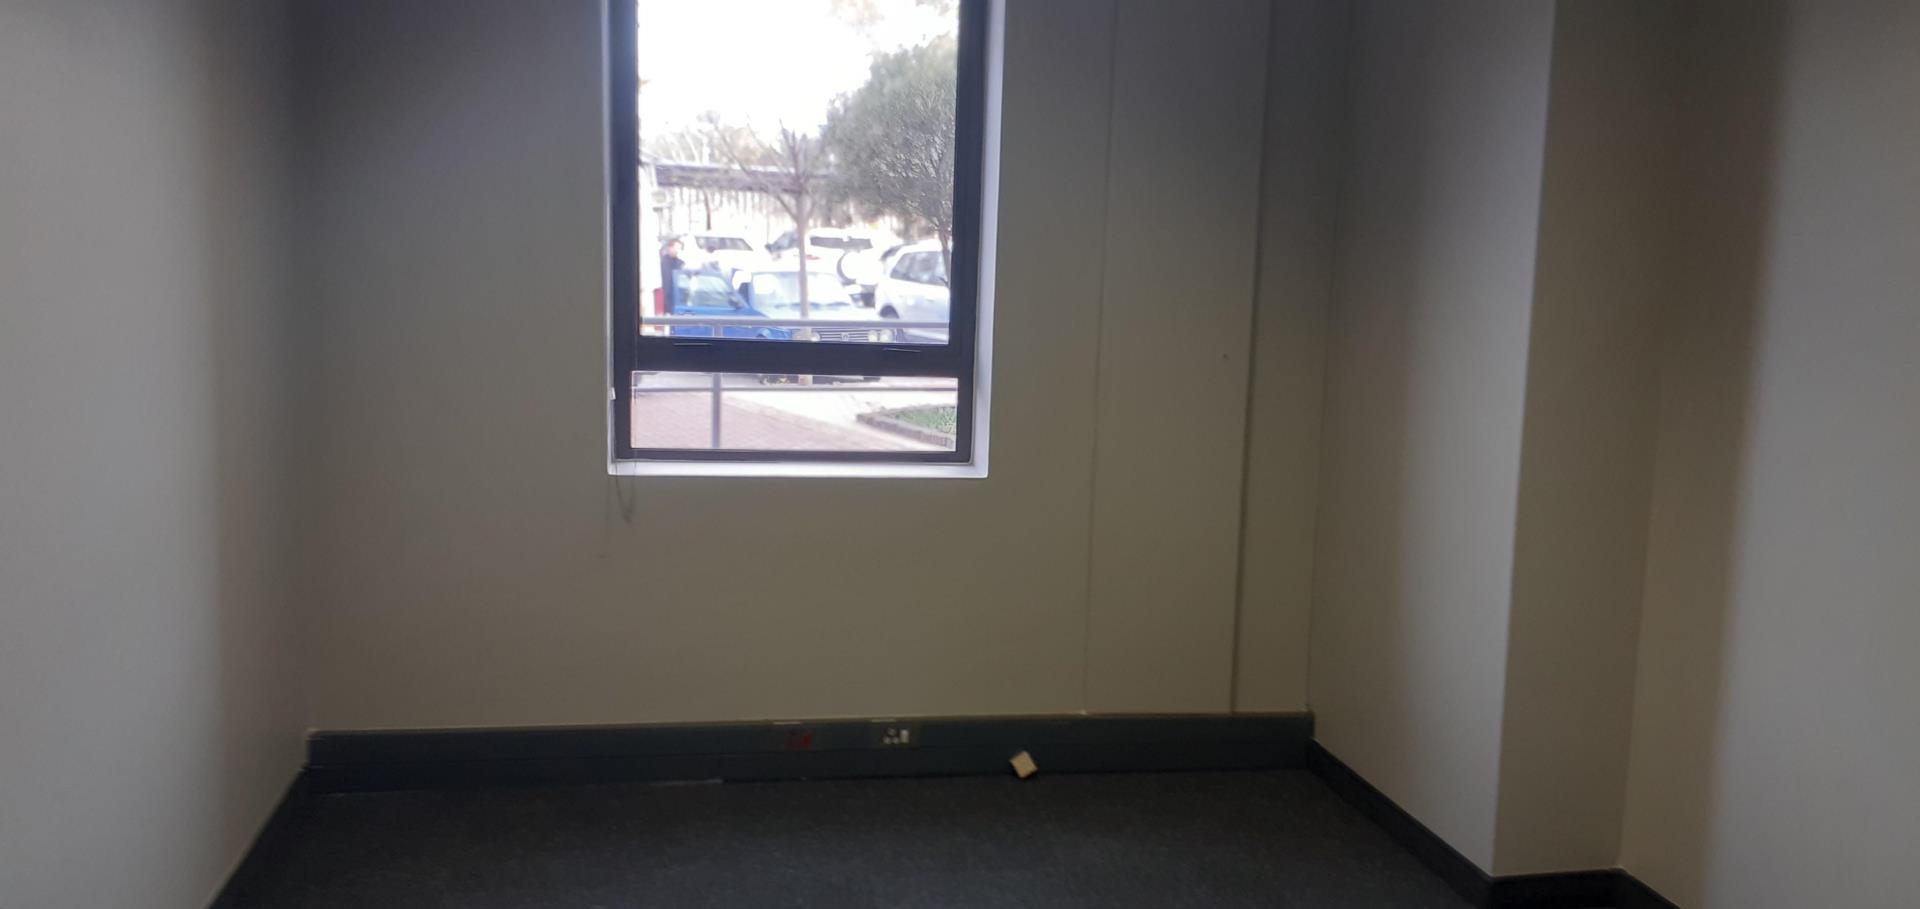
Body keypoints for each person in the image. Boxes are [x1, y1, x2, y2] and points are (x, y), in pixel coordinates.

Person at [659, 237, 685, 310]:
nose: (677, 251)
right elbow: (667, 282)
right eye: (676, 248)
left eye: (679, 249)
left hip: (677, 298)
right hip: (667, 299)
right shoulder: (664, 261)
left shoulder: (680, 263)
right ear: (670, 248)